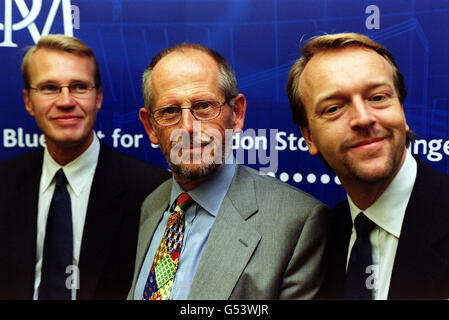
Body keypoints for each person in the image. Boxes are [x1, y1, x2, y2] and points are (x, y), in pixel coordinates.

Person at [128, 43, 328, 300]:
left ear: (237, 114)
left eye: (203, 106)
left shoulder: (296, 223)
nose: (188, 127)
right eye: (170, 111)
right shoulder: (152, 206)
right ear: (151, 127)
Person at [0, 34, 170, 300]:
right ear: (28, 101)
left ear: (99, 97)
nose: (66, 101)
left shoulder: (153, 192)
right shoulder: (4, 184)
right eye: (49, 88)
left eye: (79, 86)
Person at [287, 32, 449, 299]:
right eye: (334, 108)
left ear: (403, 112)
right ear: (309, 137)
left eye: (378, 97)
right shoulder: (317, 239)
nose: (363, 118)